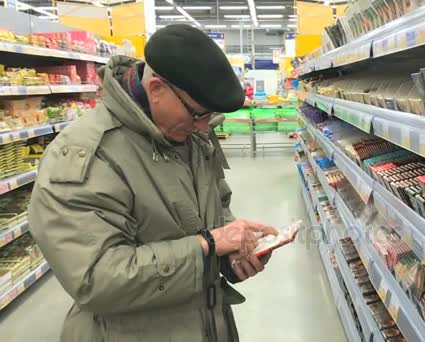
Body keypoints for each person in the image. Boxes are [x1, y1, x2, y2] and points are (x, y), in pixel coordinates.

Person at [27, 25, 278, 342]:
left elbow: (217, 206)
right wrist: (208, 245)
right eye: (197, 113)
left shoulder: (191, 134)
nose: (204, 126)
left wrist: (232, 254)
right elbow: (95, 278)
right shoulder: (87, 156)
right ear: (156, 88)